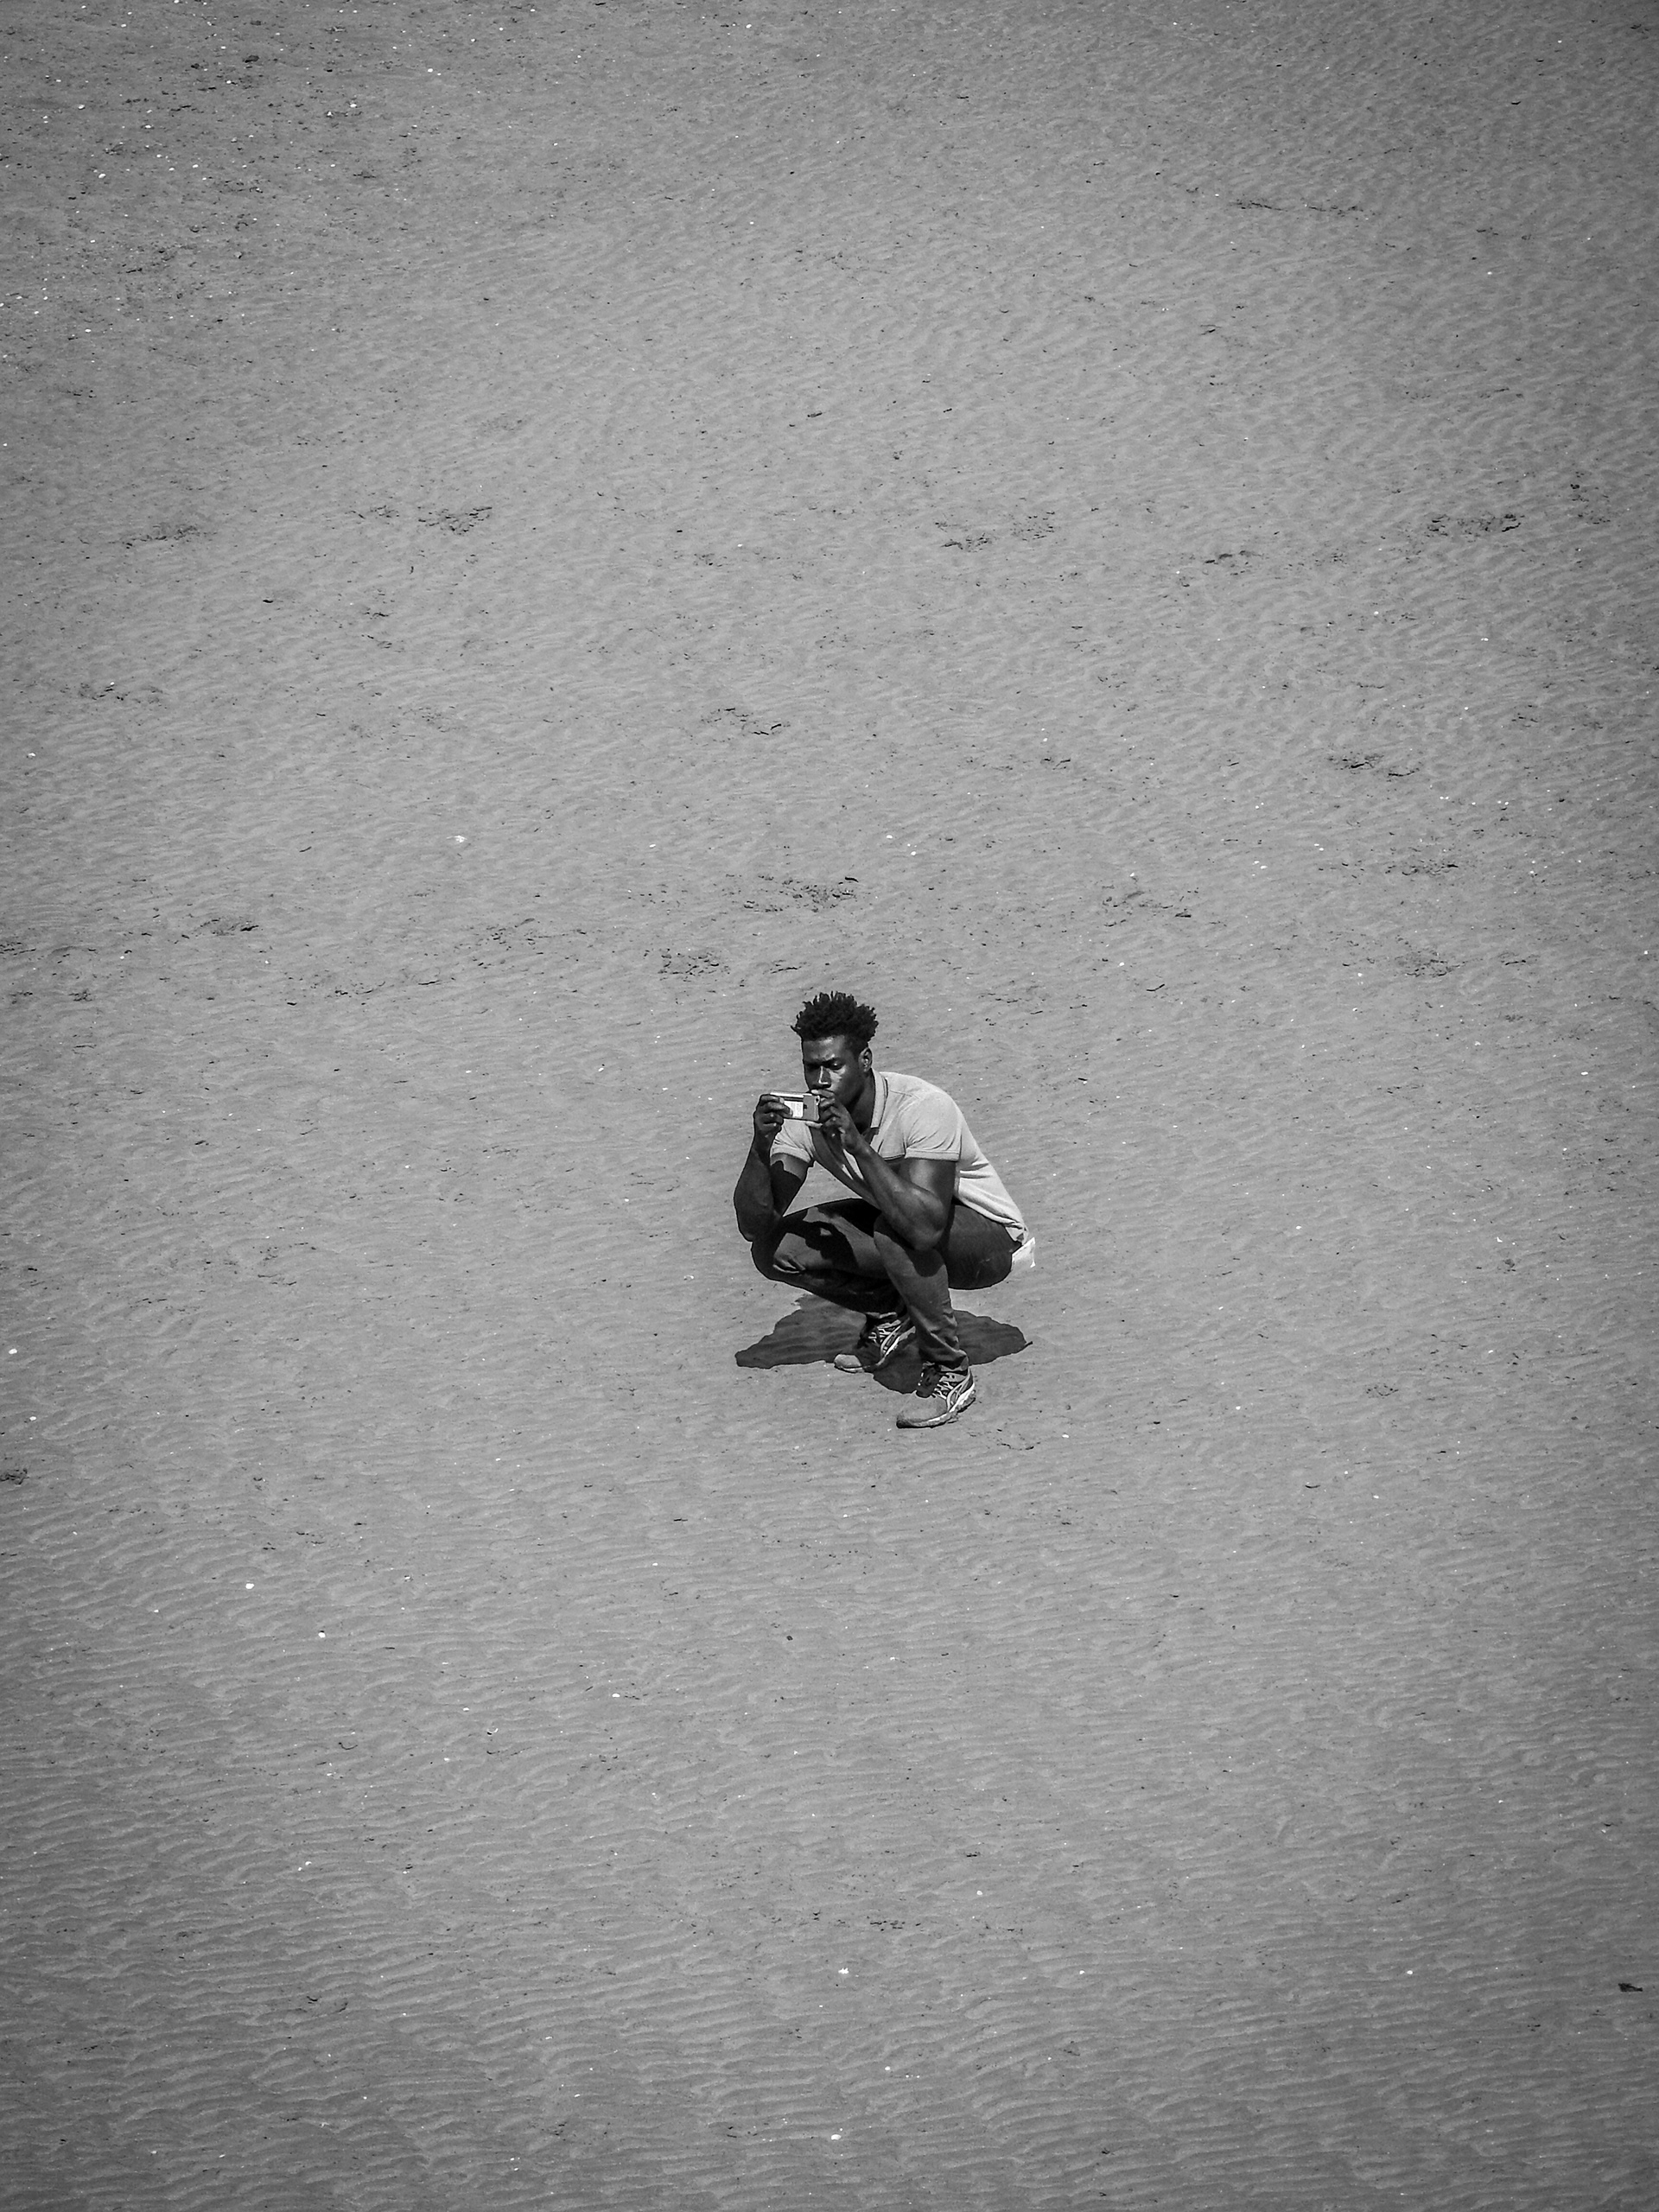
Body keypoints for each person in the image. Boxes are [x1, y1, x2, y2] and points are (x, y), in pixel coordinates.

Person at [734, 991, 1031, 1428]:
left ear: (865, 1060)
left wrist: (857, 1146)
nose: (820, 1080)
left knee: (898, 1232)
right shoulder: (808, 1122)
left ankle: (950, 1372)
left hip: (989, 1240)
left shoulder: (922, 1107)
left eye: (834, 1066)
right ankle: (894, 1313)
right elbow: (754, 1224)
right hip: (904, 1224)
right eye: (811, 1067)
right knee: (774, 1249)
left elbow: (926, 1229)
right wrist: (761, 1146)